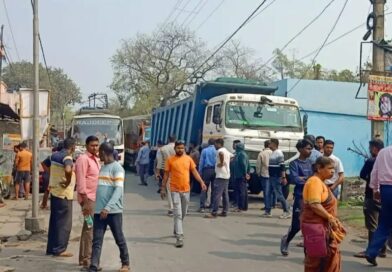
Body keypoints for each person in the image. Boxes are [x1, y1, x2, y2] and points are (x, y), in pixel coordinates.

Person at [89, 142, 130, 272]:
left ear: (104, 153)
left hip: (113, 211)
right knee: (97, 241)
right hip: (99, 211)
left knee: (119, 239)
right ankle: (94, 265)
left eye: (99, 152)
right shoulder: (103, 168)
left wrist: (108, 207)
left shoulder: (117, 168)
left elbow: (118, 190)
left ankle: (125, 263)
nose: (98, 154)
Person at [301, 156, 345, 272]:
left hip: (323, 229)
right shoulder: (314, 182)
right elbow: (314, 204)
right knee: (317, 262)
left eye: (334, 169)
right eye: (330, 168)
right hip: (317, 230)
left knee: (328, 259)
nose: (333, 171)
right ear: (319, 168)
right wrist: (329, 217)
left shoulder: (321, 183)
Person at [160, 140, 207, 247]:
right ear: (174, 149)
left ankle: (176, 228)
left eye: (182, 148)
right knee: (178, 213)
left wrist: (201, 182)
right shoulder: (170, 160)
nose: (180, 150)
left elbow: (194, 172)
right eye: (178, 148)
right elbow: (166, 175)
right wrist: (163, 188)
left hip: (186, 190)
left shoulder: (188, 159)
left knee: (184, 213)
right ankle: (179, 237)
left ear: (184, 148)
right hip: (174, 190)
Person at [280, 139, 313, 256]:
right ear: (300, 149)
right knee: (296, 225)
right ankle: (286, 240)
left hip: (312, 198)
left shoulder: (311, 163)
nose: (310, 151)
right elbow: (295, 179)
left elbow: (315, 179)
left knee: (309, 226)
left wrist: (304, 179)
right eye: (307, 148)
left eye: (311, 149)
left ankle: (308, 253)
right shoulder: (294, 163)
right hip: (300, 197)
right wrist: (307, 179)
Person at [354, 139, 386, 259]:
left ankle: (370, 250)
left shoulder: (371, 161)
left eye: (370, 147)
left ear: (374, 148)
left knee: (372, 225)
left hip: (371, 195)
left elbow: (363, 175)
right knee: (383, 223)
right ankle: (382, 250)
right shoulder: (388, 159)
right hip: (386, 195)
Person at [46, 138, 76, 257]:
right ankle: (60, 249)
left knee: (54, 222)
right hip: (64, 194)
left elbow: (44, 164)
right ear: (72, 147)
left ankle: (51, 248)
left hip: (54, 191)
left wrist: (53, 176)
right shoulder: (67, 157)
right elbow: (68, 169)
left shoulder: (54, 156)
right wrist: (68, 181)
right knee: (64, 224)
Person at [75, 136, 101, 269]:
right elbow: (80, 182)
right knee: (90, 230)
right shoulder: (83, 159)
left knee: (88, 228)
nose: (95, 148)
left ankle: (83, 258)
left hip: (94, 198)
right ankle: (87, 260)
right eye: (92, 145)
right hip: (88, 199)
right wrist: (85, 202)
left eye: (97, 145)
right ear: (86, 146)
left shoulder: (95, 159)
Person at [365, 144, 392, 266]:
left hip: (386, 189)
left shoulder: (384, 152)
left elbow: (374, 172)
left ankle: (371, 252)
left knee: (384, 223)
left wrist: (375, 189)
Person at [205, 138, 232, 218]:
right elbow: (232, 157)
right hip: (226, 174)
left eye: (216, 144)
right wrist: (227, 164)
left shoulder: (220, 151)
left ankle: (214, 212)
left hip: (220, 175)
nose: (215, 146)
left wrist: (221, 163)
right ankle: (225, 211)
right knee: (225, 194)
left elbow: (221, 155)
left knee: (217, 194)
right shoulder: (227, 151)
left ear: (219, 144)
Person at [268, 139, 291, 219]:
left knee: (279, 195)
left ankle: (287, 211)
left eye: (270, 143)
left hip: (276, 177)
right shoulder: (273, 153)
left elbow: (282, 166)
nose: (269, 144)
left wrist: (283, 177)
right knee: (276, 194)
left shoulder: (279, 153)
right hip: (272, 177)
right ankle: (268, 210)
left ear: (274, 144)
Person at [159, 135, 176, 216]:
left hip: (168, 171)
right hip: (179, 171)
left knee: (169, 190)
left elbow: (160, 161)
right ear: (175, 139)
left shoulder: (163, 148)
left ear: (168, 139)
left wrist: (158, 172)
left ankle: (171, 209)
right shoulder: (179, 147)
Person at [198, 138, 216, 213]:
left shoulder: (204, 150)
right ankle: (212, 206)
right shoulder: (217, 151)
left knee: (204, 188)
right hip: (215, 170)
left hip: (207, 170)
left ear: (208, 143)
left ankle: (202, 207)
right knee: (214, 190)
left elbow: (201, 162)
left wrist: (200, 172)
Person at [256, 140, 273, 217]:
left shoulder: (262, 153)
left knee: (266, 193)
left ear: (264, 145)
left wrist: (258, 173)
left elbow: (258, 165)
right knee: (272, 192)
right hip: (272, 175)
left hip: (264, 174)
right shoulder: (274, 153)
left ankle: (267, 209)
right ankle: (272, 204)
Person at [233, 143, 250, 212]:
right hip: (241, 175)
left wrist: (245, 173)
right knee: (244, 191)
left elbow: (243, 164)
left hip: (240, 175)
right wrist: (247, 173)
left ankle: (240, 207)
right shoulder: (244, 154)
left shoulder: (240, 154)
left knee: (241, 192)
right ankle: (244, 207)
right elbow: (248, 164)